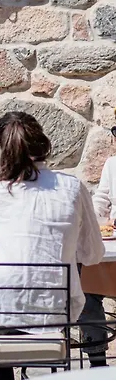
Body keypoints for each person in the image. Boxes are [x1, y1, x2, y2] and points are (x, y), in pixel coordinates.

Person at [0, 111, 105, 380]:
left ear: (5, 150)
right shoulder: (73, 187)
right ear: (43, 143)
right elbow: (92, 254)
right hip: (55, 314)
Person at [79, 130, 116, 367]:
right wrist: (89, 218)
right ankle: (98, 362)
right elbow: (102, 197)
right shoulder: (112, 164)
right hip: (111, 250)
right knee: (87, 289)